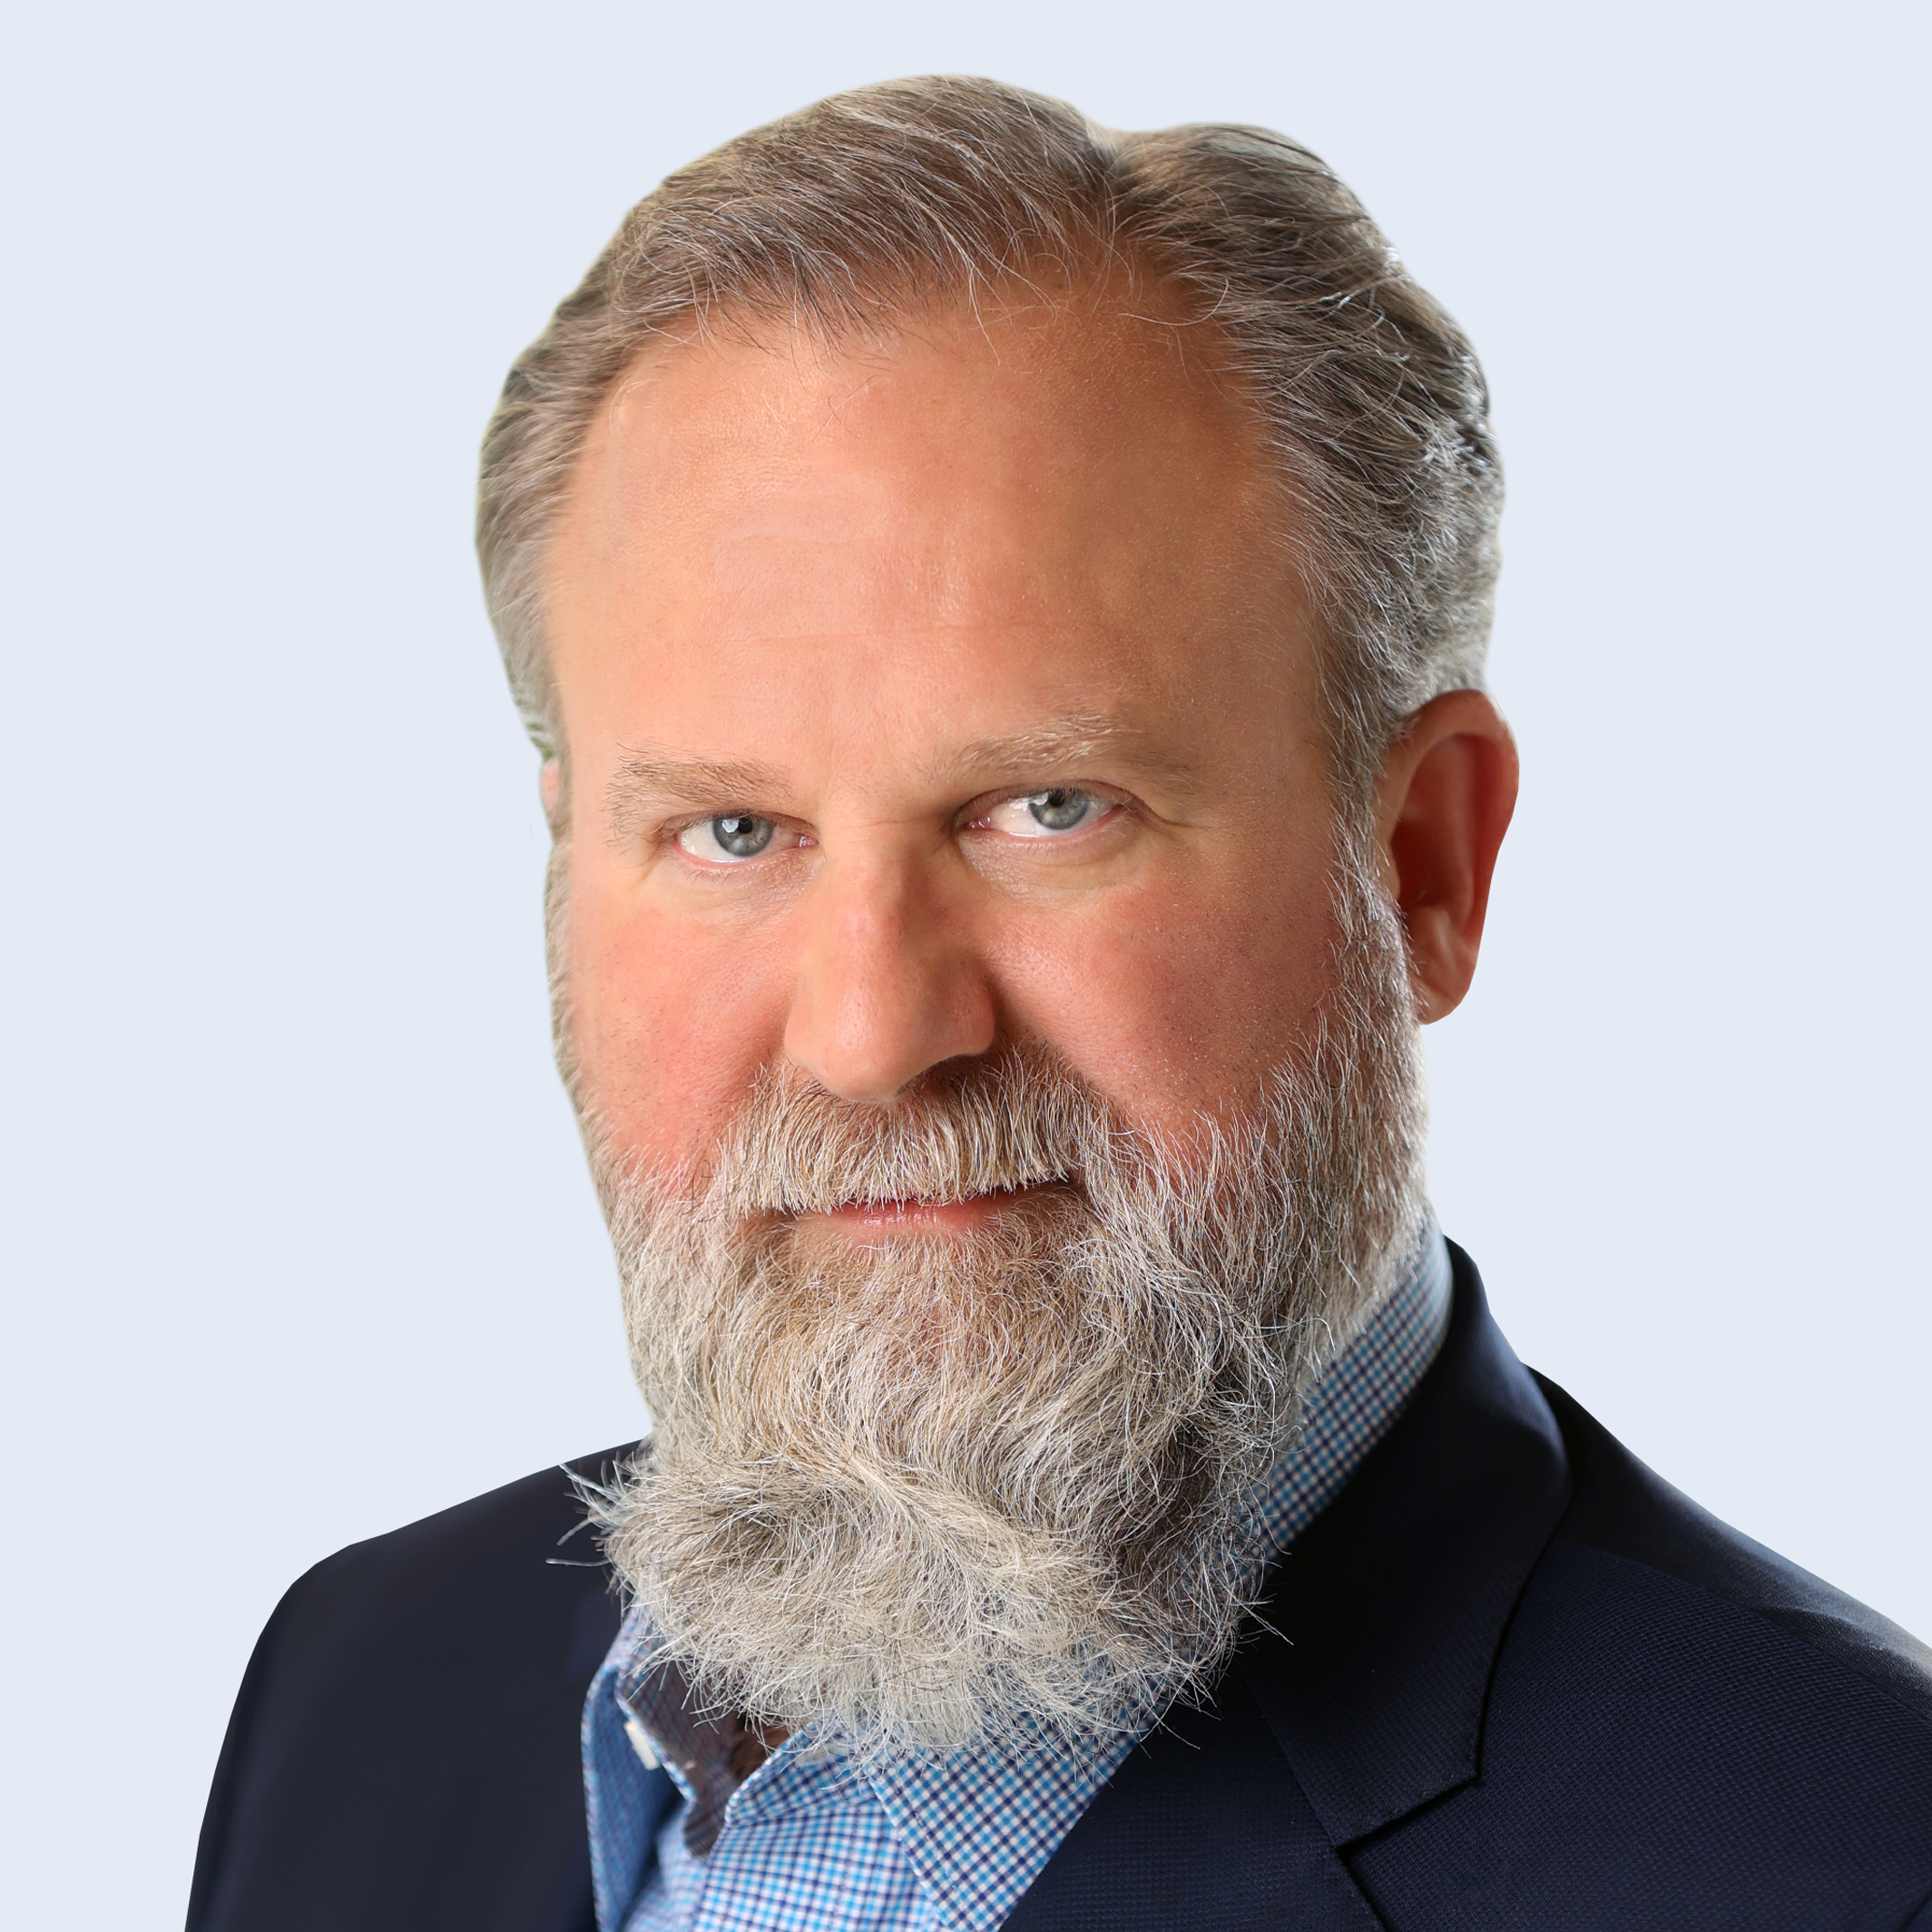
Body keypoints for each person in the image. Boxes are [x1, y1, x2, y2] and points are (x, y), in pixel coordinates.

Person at [186, 76, 1932, 1932]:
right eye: (731, 827)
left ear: (1422, 863)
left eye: (1048, 809)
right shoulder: (365, 1686)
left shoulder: (1839, 1874)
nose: (872, 1032)